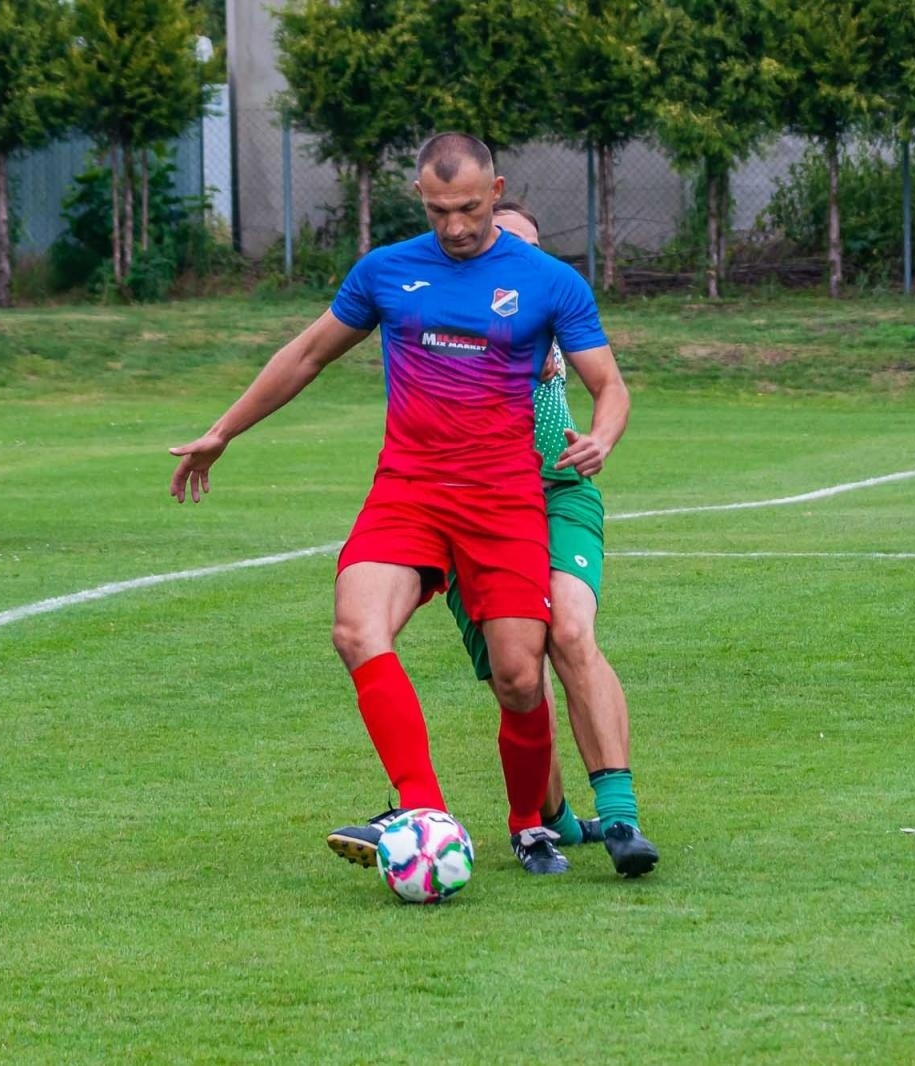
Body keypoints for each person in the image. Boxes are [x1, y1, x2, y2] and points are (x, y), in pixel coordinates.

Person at [170, 132, 629, 875]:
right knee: (356, 628)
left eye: (472, 209)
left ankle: (528, 822)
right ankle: (424, 812)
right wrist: (223, 431)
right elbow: (309, 352)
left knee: (518, 678)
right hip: (409, 491)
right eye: (441, 209)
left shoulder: (548, 281)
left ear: (496, 189)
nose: (456, 225)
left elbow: (609, 383)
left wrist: (602, 436)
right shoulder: (386, 271)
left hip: (504, 499)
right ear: (421, 196)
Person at [326, 201, 657, 878]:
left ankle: (619, 816)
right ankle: (548, 818)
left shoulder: (546, 303)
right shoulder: (455, 293)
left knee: (566, 629)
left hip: (551, 492)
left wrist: (600, 435)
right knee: (516, 677)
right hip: (463, 505)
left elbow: (600, 378)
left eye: (522, 246)